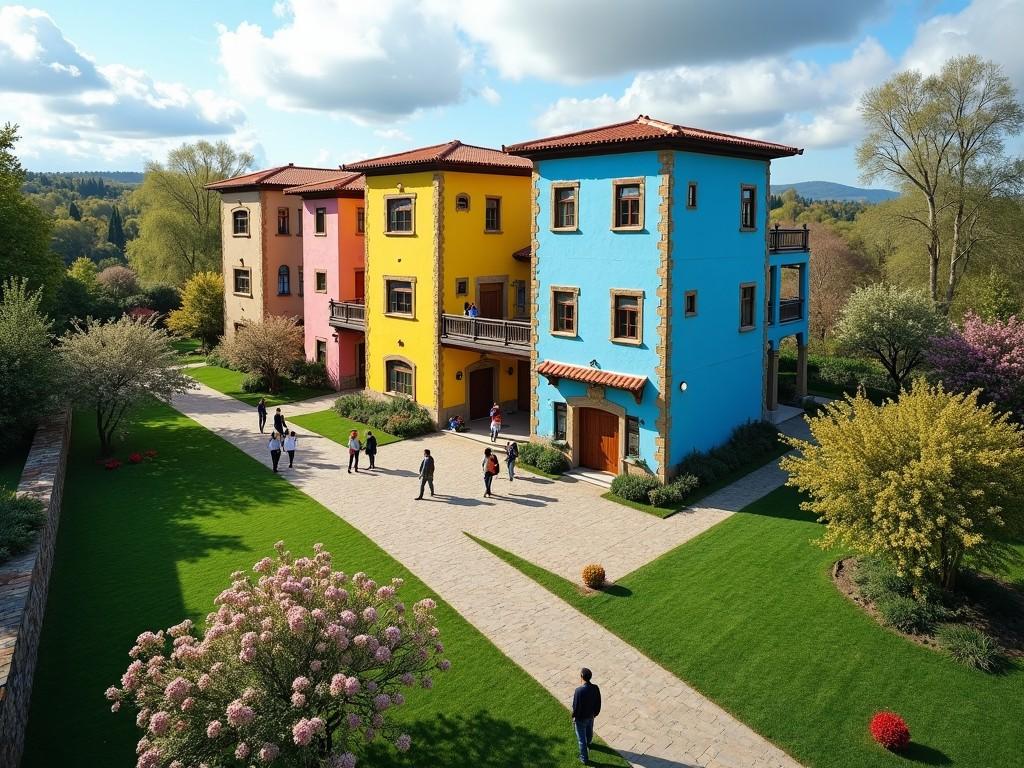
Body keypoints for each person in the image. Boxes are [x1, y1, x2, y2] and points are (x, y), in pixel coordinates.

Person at [571, 668, 602, 765]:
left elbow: (575, 706)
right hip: (591, 716)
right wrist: (595, 713)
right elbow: (598, 702)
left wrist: (574, 717)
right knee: (589, 732)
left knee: (581, 740)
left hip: (581, 718)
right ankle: (589, 743)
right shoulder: (595, 688)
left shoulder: (578, 691)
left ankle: (584, 758)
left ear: (581, 677)